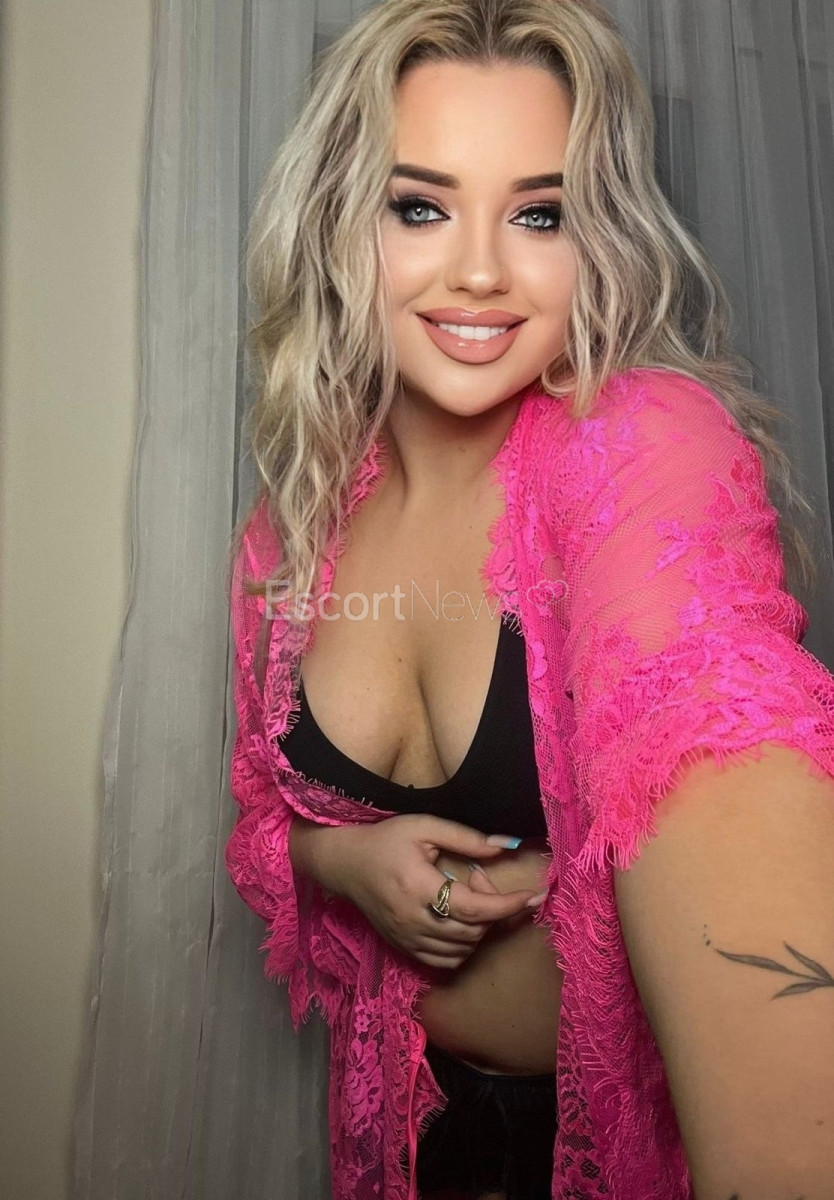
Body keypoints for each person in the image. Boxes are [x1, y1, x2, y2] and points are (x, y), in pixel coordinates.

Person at [224, 2, 834, 1198]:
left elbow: (712, 729)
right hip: (406, 1138)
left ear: (594, 237)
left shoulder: (639, 448)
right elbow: (256, 816)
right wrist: (346, 861)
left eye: (538, 214)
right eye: (420, 206)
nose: (481, 270)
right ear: (339, 221)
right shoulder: (299, 517)